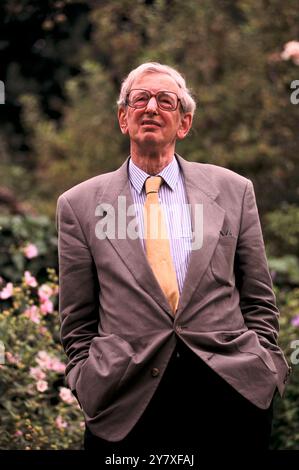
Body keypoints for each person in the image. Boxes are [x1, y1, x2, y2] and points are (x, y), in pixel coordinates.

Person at [56, 62, 291, 452]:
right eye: (140, 99)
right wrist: (86, 378)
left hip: (230, 395)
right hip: (125, 403)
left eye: (166, 100)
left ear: (184, 123)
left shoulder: (234, 191)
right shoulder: (79, 205)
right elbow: (77, 320)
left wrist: (263, 365)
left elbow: (259, 298)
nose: (151, 107)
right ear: (123, 117)